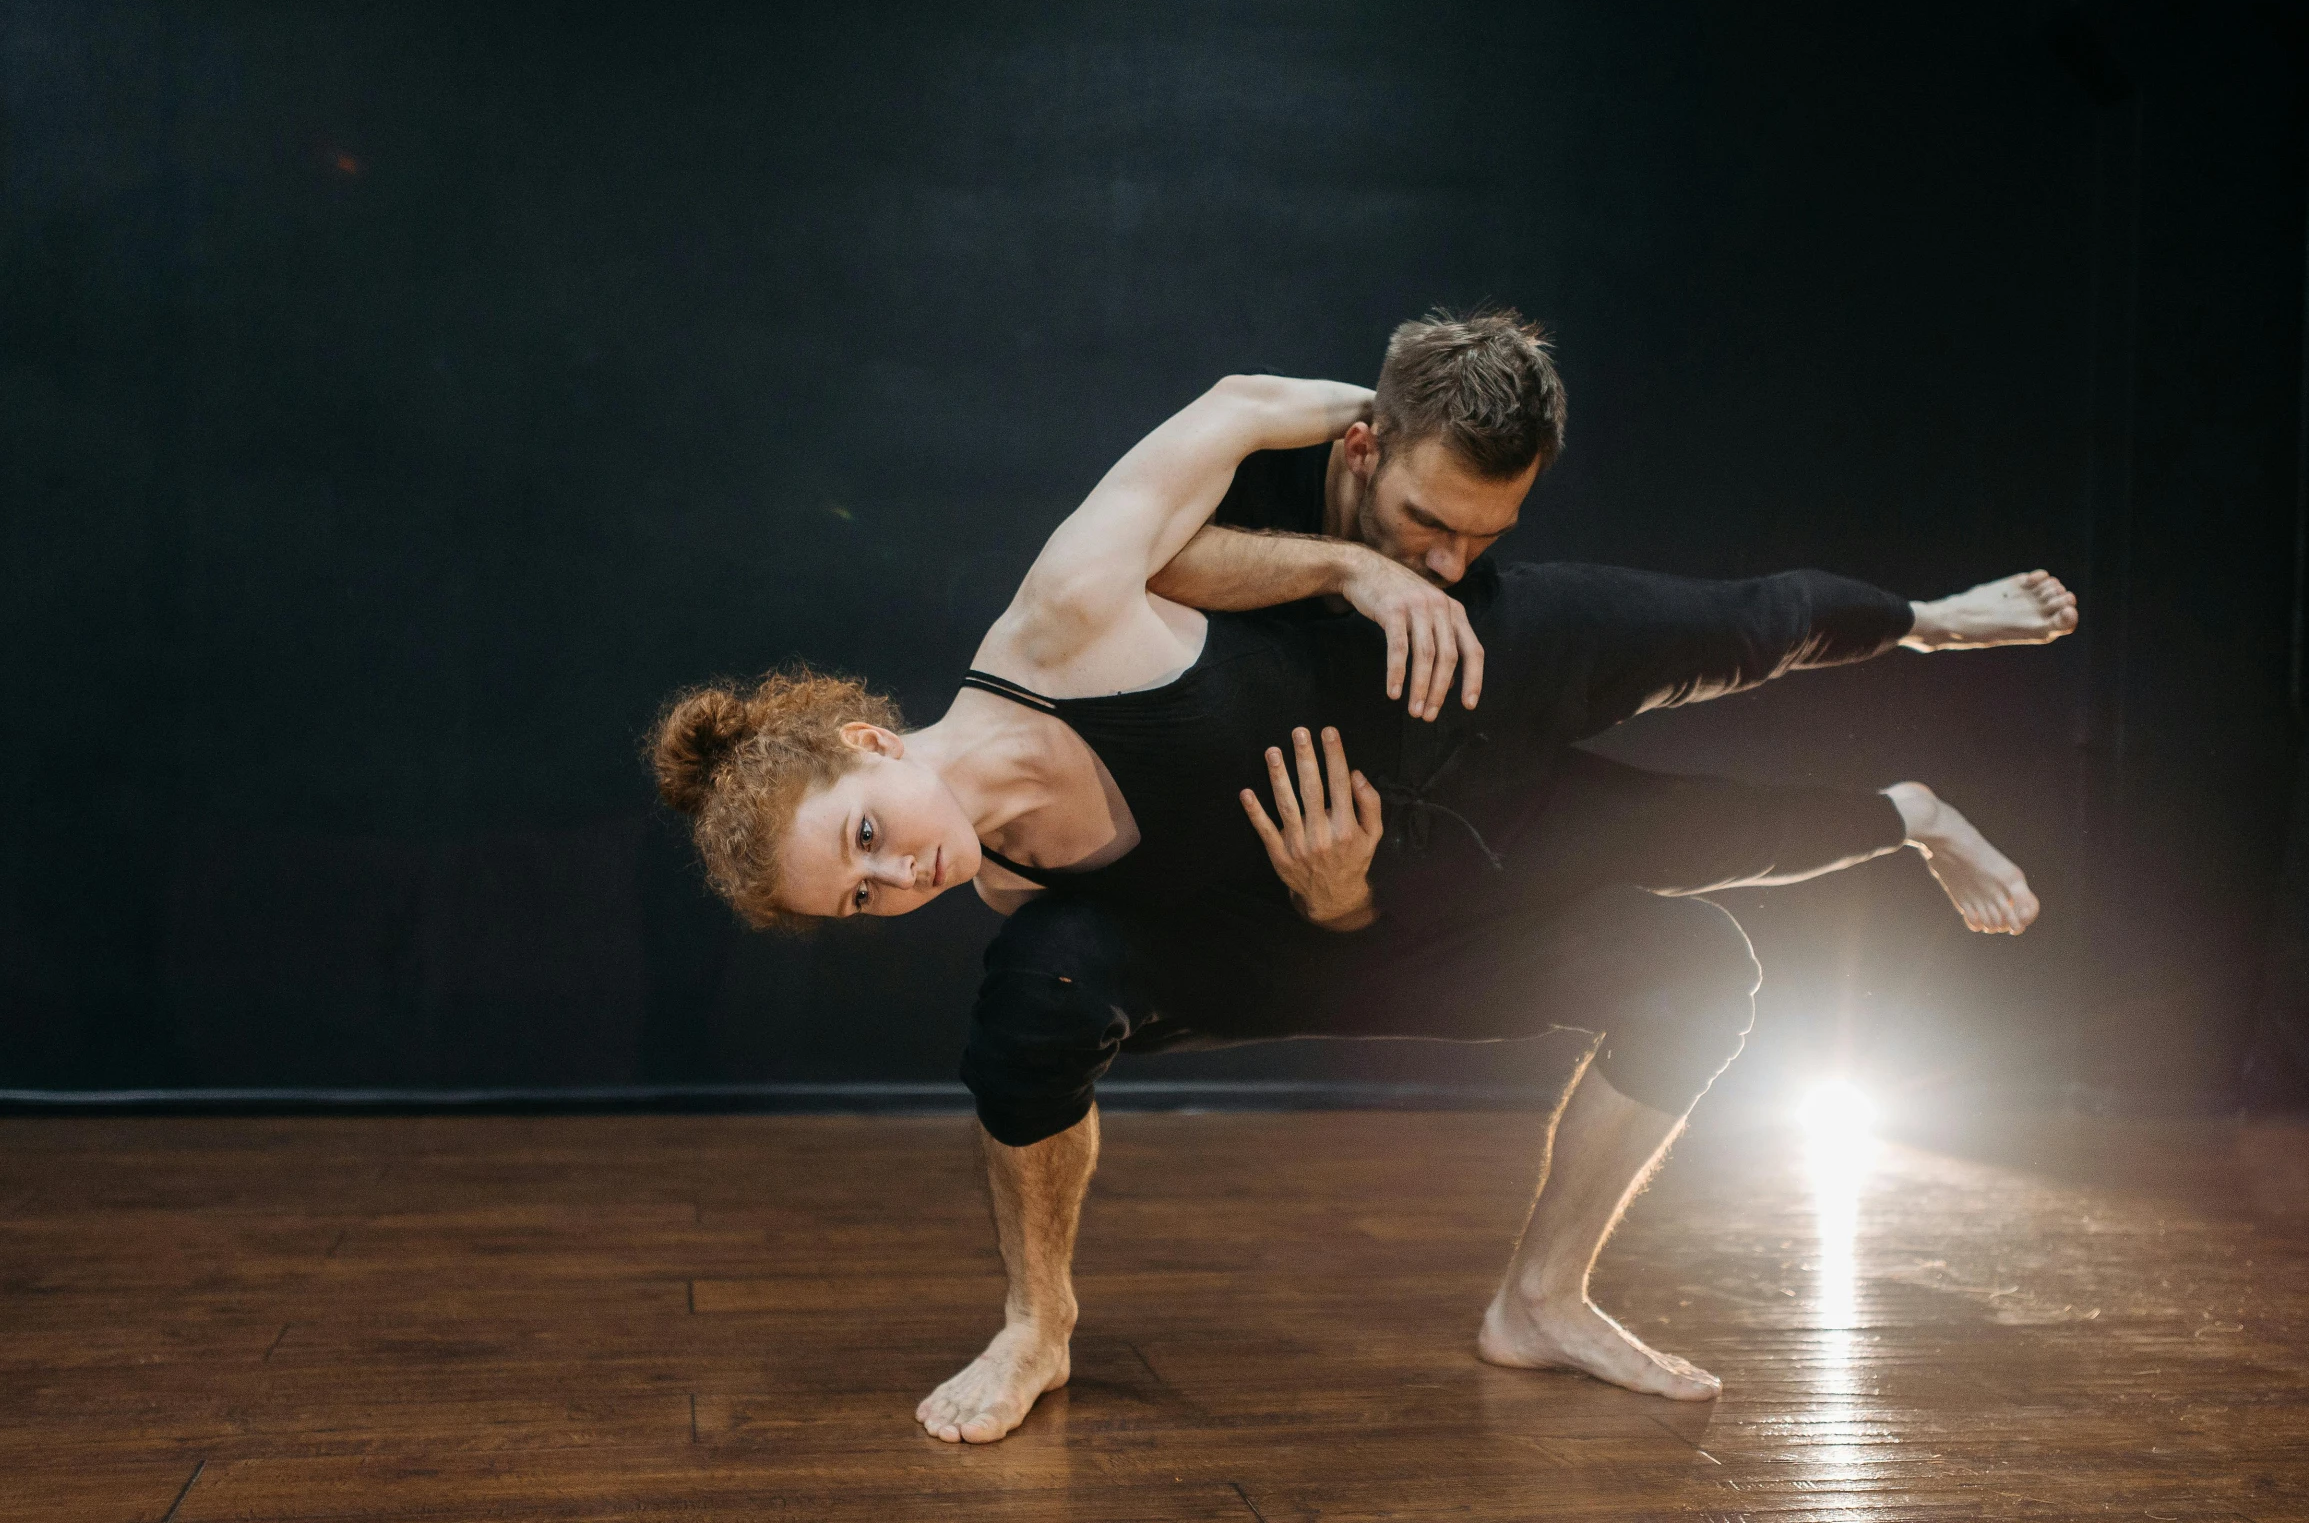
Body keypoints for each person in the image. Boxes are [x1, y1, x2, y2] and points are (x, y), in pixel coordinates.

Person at [649, 318, 2077, 1446]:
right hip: (1407, 882)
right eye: (863, 900)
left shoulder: (1064, 617)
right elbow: (1233, 934)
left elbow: (1231, 400)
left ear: (868, 743)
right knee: (1045, 987)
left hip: (1465, 683)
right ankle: (1041, 1326)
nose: (900, 876)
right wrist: (1338, 901)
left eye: (866, 838)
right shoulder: (1015, 886)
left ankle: (1931, 624)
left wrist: (1379, 544)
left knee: (1736, 634)